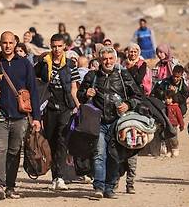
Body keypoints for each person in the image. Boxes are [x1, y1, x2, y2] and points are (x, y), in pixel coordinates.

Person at [0, 31, 41, 201]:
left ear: (15, 44)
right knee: (0, 149)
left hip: (19, 117)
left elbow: (33, 91)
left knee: (14, 151)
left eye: (10, 43)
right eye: (4, 43)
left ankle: (10, 187)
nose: (7, 46)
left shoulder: (25, 64)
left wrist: (36, 117)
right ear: (0, 44)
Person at [78, 47, 142, 198]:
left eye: (110, 58)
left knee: (114, 156)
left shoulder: (122, 75)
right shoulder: (91, 76)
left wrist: (128, 104)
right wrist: (86, 93)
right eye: (104, 59)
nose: (107, 61)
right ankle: (99, 187)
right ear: (100, 60)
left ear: (115, 59)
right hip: (98, 122)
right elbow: (80, 95)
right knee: (99, 154)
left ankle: (110, 187)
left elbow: (137, 95)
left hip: (117, 123)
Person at [34, 34, 81, 191]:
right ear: (50, 46)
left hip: (65, 107)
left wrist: (78, 106)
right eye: (54, 46)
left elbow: (74, 88)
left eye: (59, 46)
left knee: (62, 140)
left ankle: (60, 177)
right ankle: (55, 176)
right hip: (48, 108)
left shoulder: (70, 65)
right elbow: (34, 81)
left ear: (64, 47)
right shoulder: (43, 64)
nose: (56, 49)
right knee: (52, 141)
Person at [163, 90, 184, 157]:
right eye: (166, 99)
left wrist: (181, 125)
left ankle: (175, 149)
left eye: (169, 98)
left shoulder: (175, 107)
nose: (167, 100)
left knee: (173, 138)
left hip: (173, 125)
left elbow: (179, 116)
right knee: (167, 138)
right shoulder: (164, 107)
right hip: (166, 125)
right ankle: (169, 150)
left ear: (172, 99)